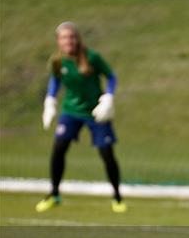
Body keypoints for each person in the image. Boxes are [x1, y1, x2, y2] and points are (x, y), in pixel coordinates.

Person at [36, 22, 126, 213]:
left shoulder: (92, 57)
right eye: (64, 37)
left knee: (106, 153)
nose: (68, 41)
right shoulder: (57, 61)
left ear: (77, 39)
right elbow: (55, 79)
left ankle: (117, 197)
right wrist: (50, 100)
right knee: (59, 148)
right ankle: (54, 194)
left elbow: (111, 76)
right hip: (71, 111)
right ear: (58, 41)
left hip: (96, 112)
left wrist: (108, 96)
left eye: (71, 37)